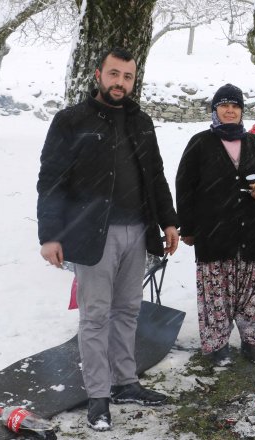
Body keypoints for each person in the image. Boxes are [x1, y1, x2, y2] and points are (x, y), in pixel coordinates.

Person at [36, 47, 179, 431]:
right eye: (114, 74)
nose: (120, 83)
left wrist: (168, 220)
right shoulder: (72, 121)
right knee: (96, 316)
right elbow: (51, 181)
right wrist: (49, 235)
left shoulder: (141, 122)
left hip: (138, 230)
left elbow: (156, 176)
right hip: (92, 234)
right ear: (99, 74)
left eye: (127, 77)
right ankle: (99, 395)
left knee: (128, 310)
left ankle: (126, 383)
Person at [175, 84, 255, 367]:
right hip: (215, 232)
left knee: (253, 290)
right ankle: (217, 344)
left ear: (241, 111)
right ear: (215, 110)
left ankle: (252, 341)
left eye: (235, 106)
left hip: (253, 233)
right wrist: (188, 227)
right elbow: (184, 186)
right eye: (224, 105)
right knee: (216, 292)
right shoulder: (200, 143)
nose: (230, 110)